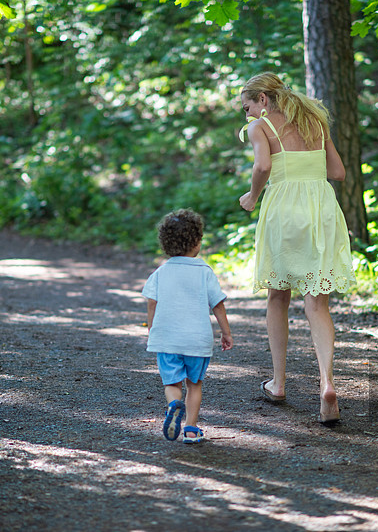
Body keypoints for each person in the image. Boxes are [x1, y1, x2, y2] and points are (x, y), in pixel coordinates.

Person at [237, 72, 356, 425]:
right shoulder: (316, 122)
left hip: (285, 209)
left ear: (262, 100)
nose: (246, 115)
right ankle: (327, 384)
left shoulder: (261, 127)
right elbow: (338, 172)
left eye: (247, 106)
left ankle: (278, 383)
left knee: (278, 296)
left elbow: (263, 165)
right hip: (322, 209)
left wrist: (253, 195)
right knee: (318, 303)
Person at [142, 209, 234, 443]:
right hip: (197, 340)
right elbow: (218, 304)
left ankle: (174, 404)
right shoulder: (204, 272)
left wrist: (152, 329)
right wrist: (226, 332)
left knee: (171, 382)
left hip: (167, 338)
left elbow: (152, 303)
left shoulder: (161, 272)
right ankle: (191, 429)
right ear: (196, 243)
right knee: (194, 384)